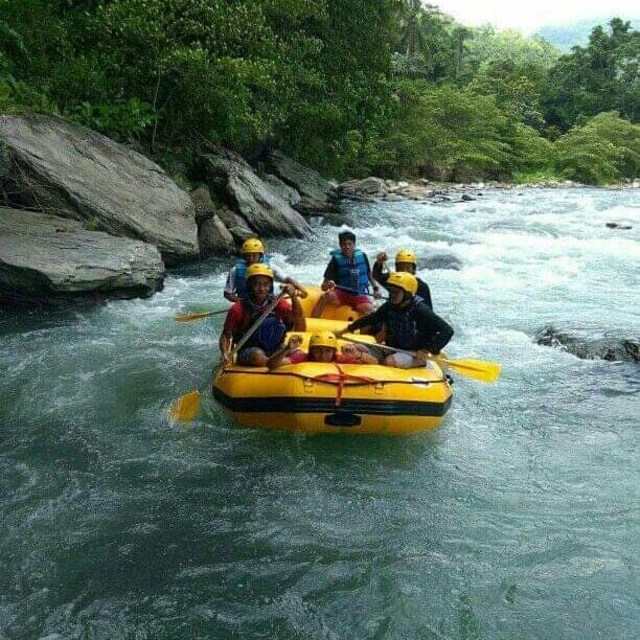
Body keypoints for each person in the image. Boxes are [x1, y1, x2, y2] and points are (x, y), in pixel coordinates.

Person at [334, 272, 453, 368]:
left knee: (389, 362)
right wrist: (345, 330)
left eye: (396, 292)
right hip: (391, 347)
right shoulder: (390, 306)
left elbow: (447, 330)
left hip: (412, 353)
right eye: (391, 292)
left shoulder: (421, 310)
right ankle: (375, 361)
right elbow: (372, 318)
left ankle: (420, 363)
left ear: (407, 294)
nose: (392, 295)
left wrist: (426, 350)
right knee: (354, 348)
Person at [219, 264, 305, 367]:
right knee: (257, 355)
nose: (262, 289)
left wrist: (293, 296)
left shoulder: (276, 302)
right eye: (257, 284)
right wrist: (224, 353)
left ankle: (277, 360)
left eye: (266, 284)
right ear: (250, 285)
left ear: (270, 286)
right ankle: (273, 363)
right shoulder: (238, 309)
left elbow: (297, 316)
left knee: (299, 353)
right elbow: (226, 335)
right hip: (250, 351)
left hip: (275, 347)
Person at [311, 230, 381, 318]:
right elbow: (323, 286)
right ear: (340, 245)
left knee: (369, 309)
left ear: (354, 244)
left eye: (350, 244)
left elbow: (370, 276)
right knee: (325, 297)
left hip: (359, 295)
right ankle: (313, 321)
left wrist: (376, 289)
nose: (347, 247)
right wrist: (328, 285)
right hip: (342, 294)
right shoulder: (335, 260)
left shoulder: (362, 256)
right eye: (344, 244)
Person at [224, 237, 305, 302]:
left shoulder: (269, 267)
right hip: (246, 306)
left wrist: (301, 289)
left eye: (254, 255)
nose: (251, 258)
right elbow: (227, 293)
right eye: (248, 255)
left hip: (267, 304)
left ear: (260, 255)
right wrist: (240, 302)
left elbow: (287, 279)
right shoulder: (235, 270)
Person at [267, 331, 378, 369]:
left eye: (327, 351)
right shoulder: (302, 357)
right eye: (318, 351)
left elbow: (375, 362)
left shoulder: (339, 358)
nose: (322, 355)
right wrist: (286, 349)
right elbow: (272, 365)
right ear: (311, 351)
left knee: (361, 347)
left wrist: (356, 354)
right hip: (294, 351)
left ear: (334, 352)